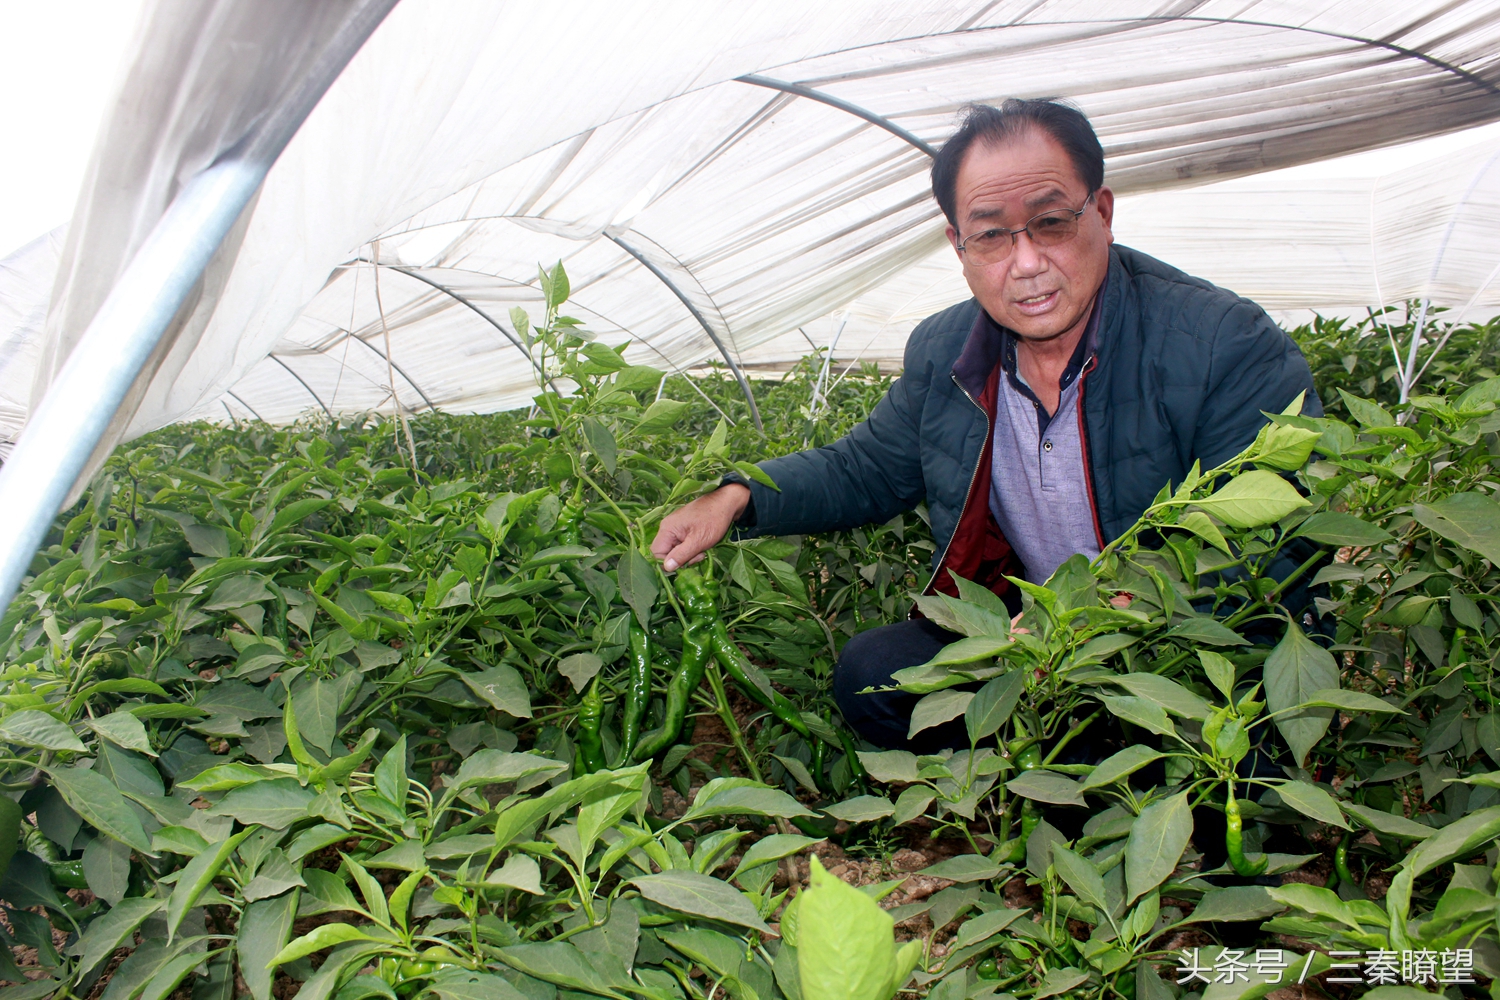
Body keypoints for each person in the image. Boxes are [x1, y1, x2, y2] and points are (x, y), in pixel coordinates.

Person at [650, 99, 1318, 751]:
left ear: (1103, 213)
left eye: (1051, 222)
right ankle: (1048, 776)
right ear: (959, 245)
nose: (1026, 262)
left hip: (1178, 636)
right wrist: (738, 496)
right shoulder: (947, 352)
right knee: (874, 677)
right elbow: (868, 467)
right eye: (993, 234)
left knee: (1229, 728)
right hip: (1026, 630)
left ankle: (1108, 780)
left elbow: (1264, 535)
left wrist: (1099, 615)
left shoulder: (1217, 339)